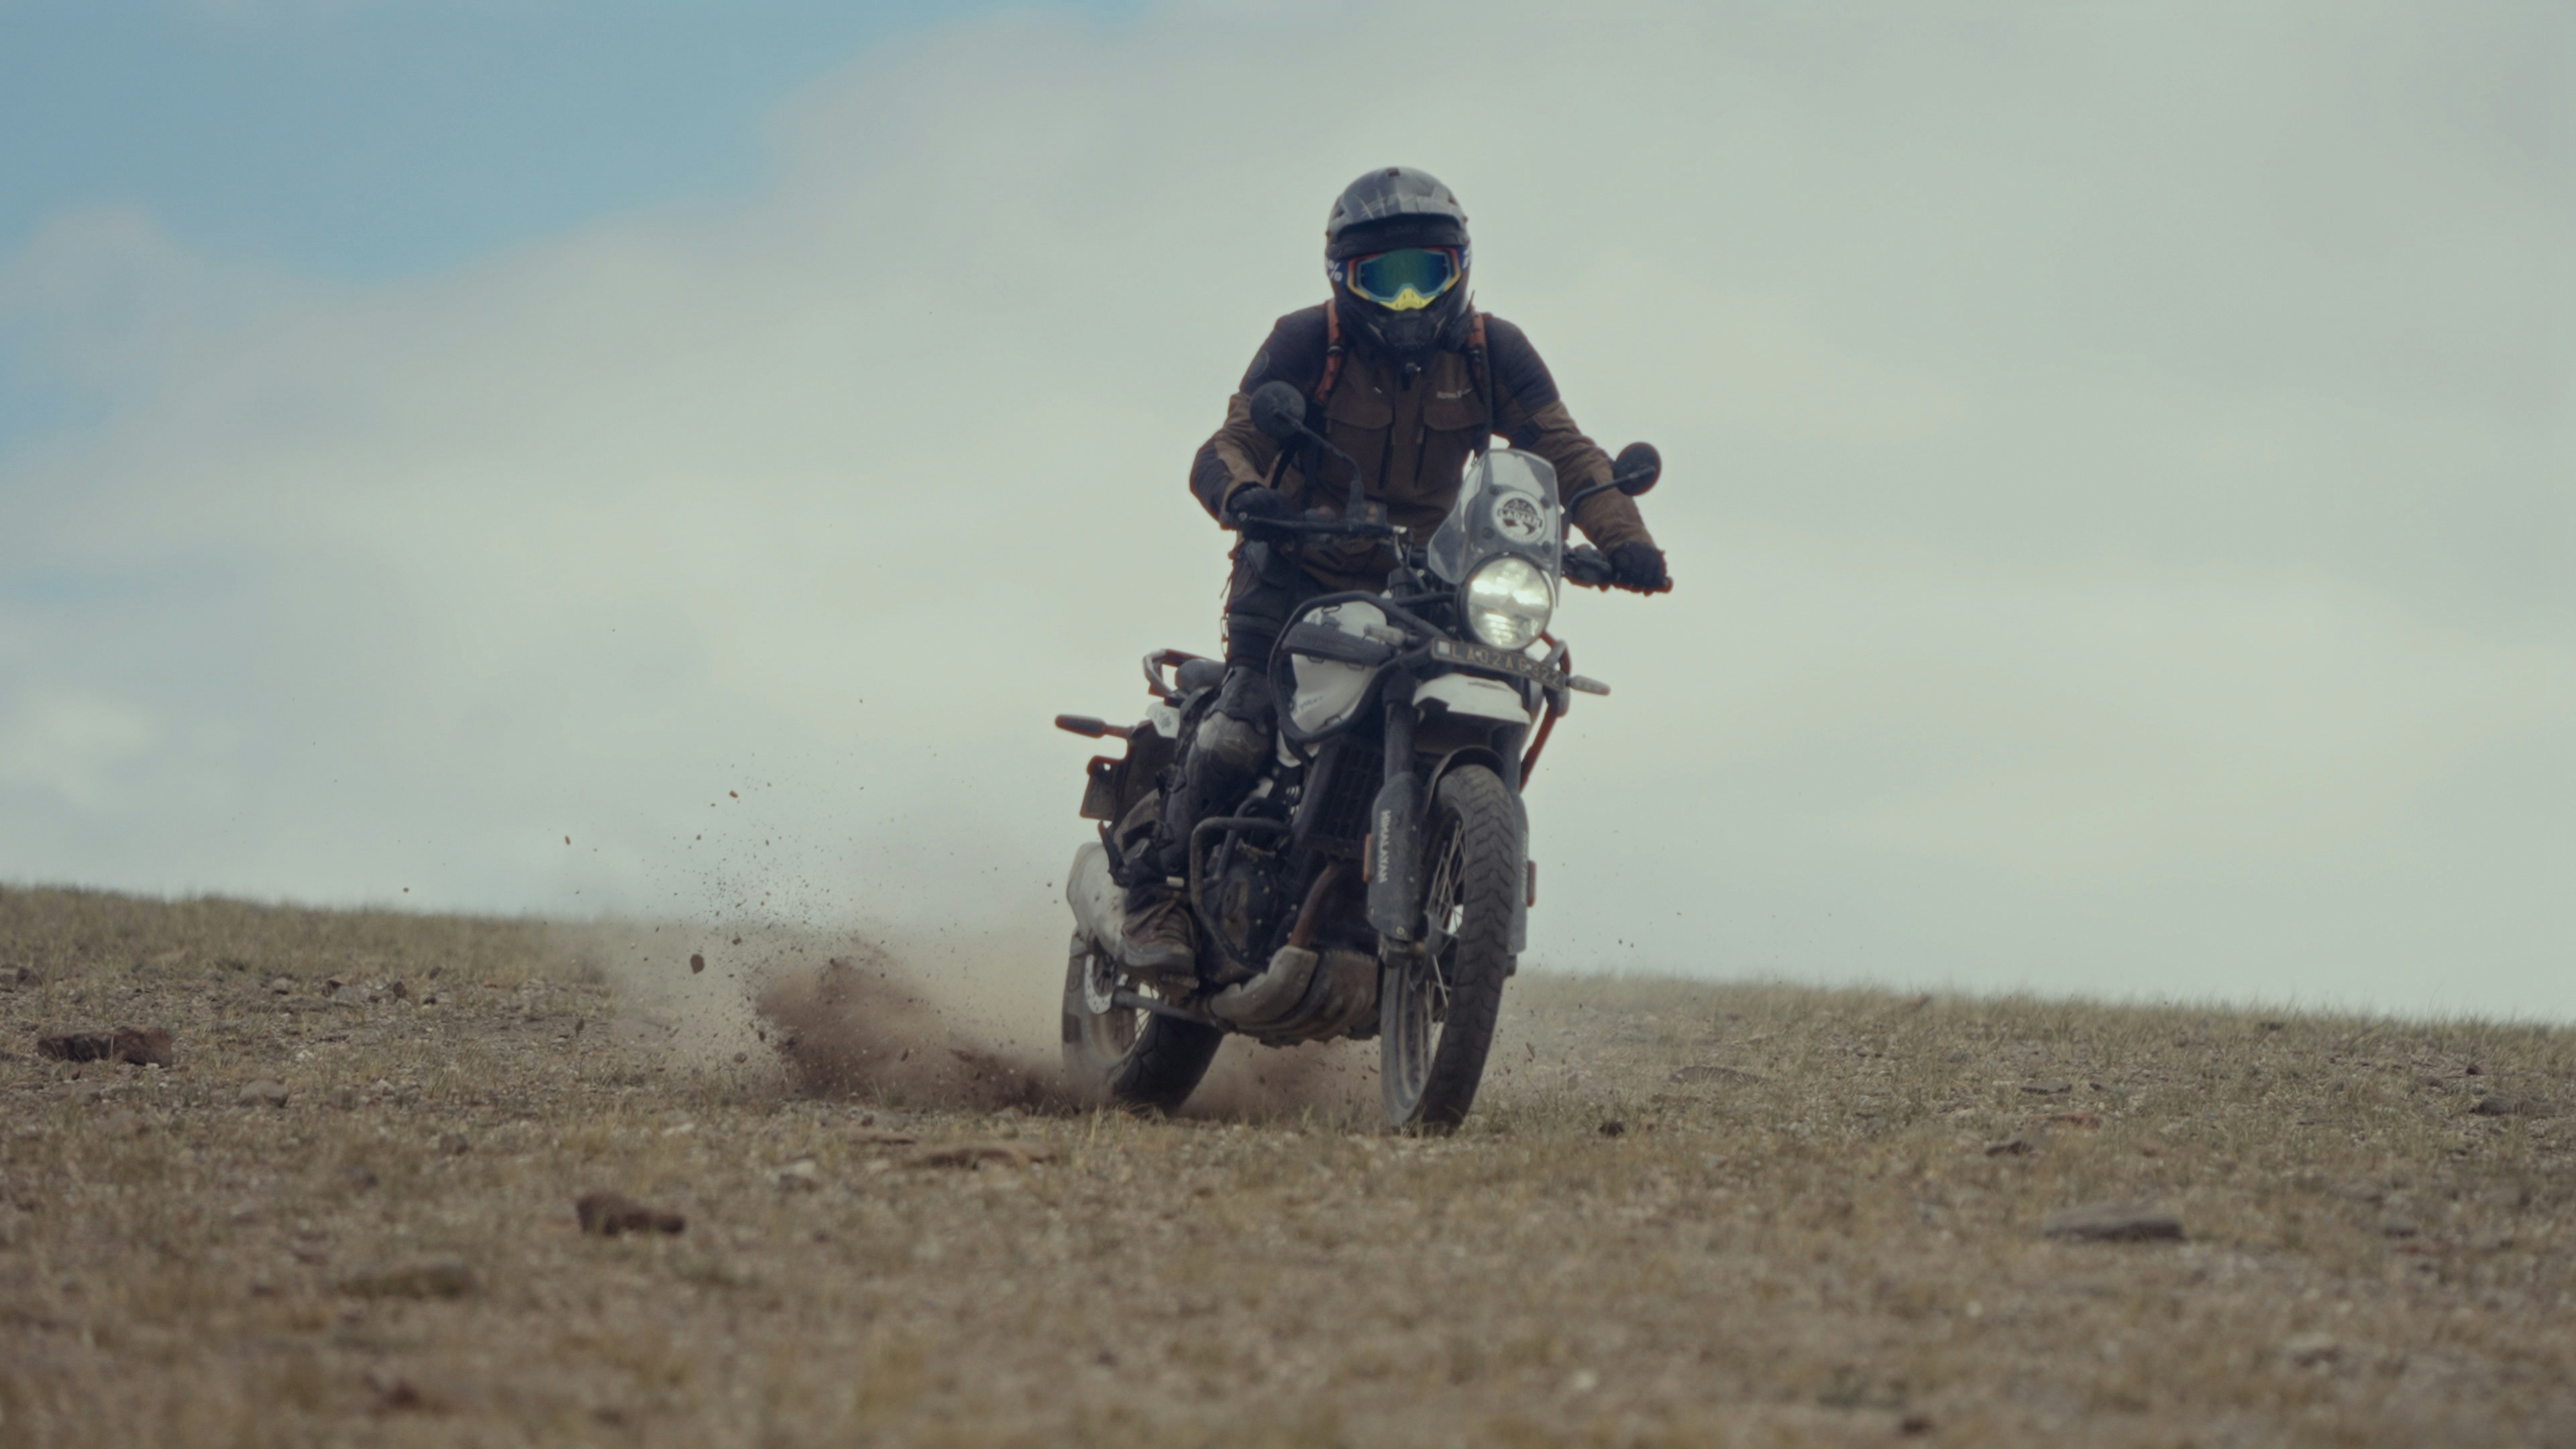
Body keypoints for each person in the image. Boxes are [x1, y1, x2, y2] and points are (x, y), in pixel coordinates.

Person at [1124, 166, 1672, 974]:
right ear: (1344, 281)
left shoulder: (1494, 352)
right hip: (1295, 570)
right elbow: (1230, 442)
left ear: (1461, 269)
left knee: (1503, 677)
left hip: (1426, 582)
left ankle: (1436, 891)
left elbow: (1566, 450)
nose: (1409, 303)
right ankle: (1155, 893)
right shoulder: (1308, 343)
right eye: (1386, 281)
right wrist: (1244, 497)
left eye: (1429, 277)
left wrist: (1625, 537)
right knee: (1241, 726)